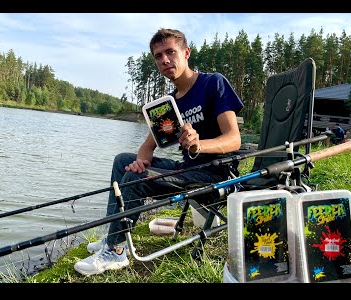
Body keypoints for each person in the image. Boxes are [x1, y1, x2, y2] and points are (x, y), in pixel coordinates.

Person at [73, 28, 244, 276]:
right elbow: (147, 147)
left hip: (215, 175)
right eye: (158, 56)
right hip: (188, 170)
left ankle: (116, 251)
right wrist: (140, 162)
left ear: (186, 53)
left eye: (170, 52)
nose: (164, 60)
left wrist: (200, 145)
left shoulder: (212, 83)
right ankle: (114, 233)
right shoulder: (170, 103)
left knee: (136, 180)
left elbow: (234, 139)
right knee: (124, 162)